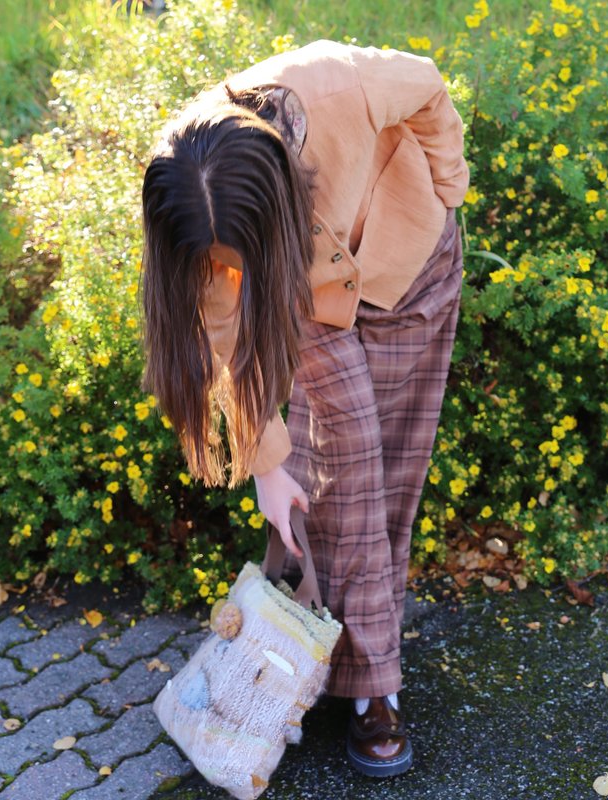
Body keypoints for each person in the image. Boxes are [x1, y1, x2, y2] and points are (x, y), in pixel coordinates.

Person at [141, 39, 469, 778]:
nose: (229, 274)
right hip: (311, 310)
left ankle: (335, 655)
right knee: (346, 469)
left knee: (387, 479)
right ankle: (371, 694)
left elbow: (426, 86)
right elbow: (221, 332)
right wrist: (264, 465)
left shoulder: (335, 86)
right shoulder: (188, 193)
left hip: (409, 265)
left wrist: (449, 184)